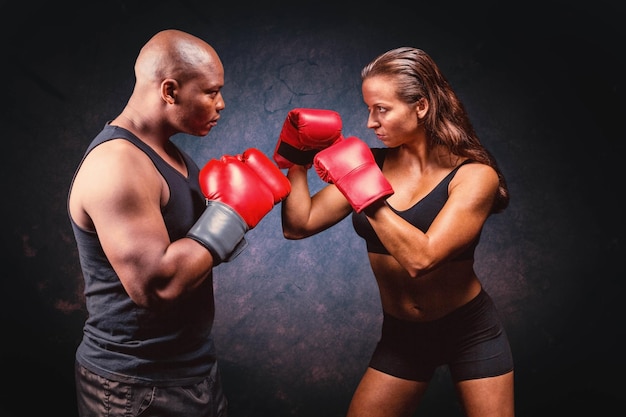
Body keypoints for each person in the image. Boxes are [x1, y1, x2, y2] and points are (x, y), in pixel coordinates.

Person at [276, 47, 514, 417]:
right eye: (369, 108)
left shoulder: (474, 177)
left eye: (381, 109)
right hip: (403, 335)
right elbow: (298, 224)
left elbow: (423, 258)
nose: (371, 122)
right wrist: (297, 162)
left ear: (420, 106)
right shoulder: (370, 163)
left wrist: (363, 192)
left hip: (469, 331)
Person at [67, 29, 290, 417]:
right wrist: (232, 212)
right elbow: (158, 286)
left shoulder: (171, 155)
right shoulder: (117, 165)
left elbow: (197, 254)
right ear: (170, 91)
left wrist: (231, 217)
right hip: (134, 383)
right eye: (210, 92)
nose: (221, 104)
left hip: (192, 367)